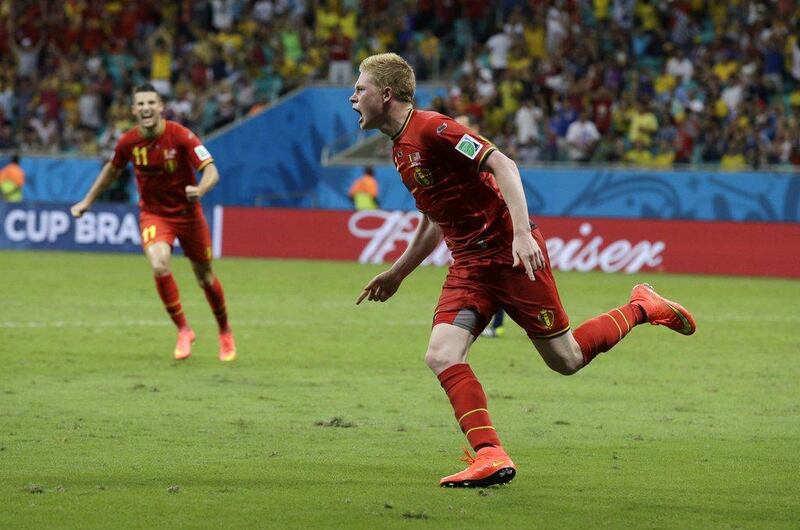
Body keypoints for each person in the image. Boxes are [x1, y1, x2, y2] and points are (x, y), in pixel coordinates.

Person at [351, 53, 696, 488]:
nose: (352, 98)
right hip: (470, 267)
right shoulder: (400, 150)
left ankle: (642, 307)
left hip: (511, 257)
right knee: (441, 354)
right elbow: (434, 220)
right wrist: (397, 273)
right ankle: (490, 455)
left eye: (359, 89)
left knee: (567, 359)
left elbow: (503, 164)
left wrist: (520, 233)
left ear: (385, 94)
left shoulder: (433, 128)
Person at [71, 83, 237, 362]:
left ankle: (224, 331)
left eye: (151, 103)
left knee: (205, 277)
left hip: (189, 215)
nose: (147, 108)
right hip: (155, 214)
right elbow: (111, 171)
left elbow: (211, 170)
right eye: (141, 104)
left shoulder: (181, 136)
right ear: (134, 110)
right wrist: (87, 201)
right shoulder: (128, 142)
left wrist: (200, 190)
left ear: (161, 107)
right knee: (159, 263)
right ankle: (184, 329)